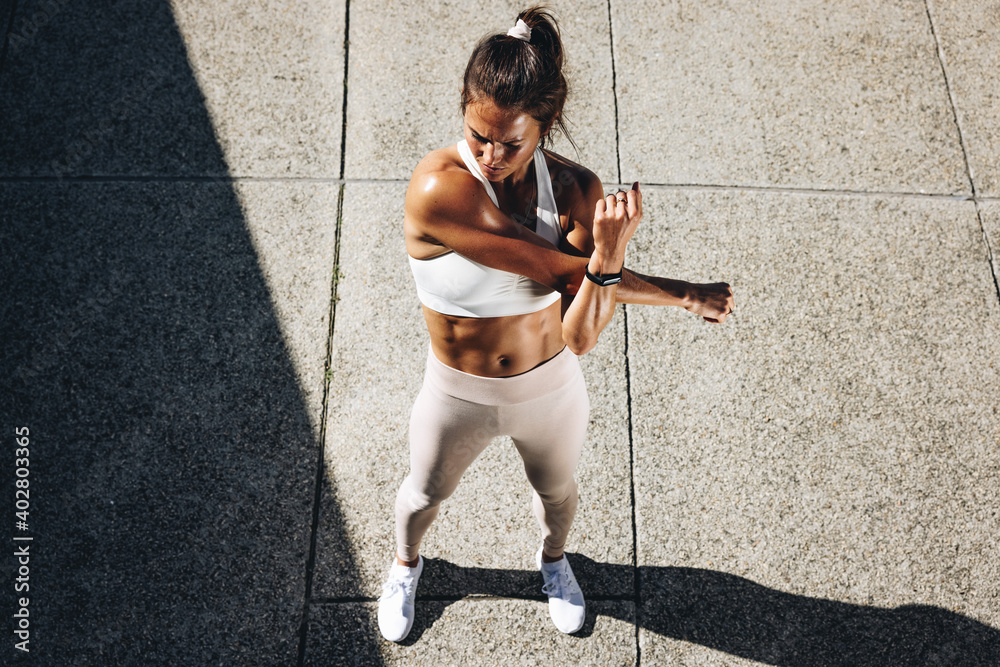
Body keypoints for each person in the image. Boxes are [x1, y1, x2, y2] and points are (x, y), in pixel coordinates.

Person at [377, 6, 734, 642]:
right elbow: (561, 271)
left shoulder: (574, 189)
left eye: (511, 142)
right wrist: (679, 292)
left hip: (550, 386)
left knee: (558, 493)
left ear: (545, 127)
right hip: (457, 391)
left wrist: (610, 259)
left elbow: (580, 336)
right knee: (424, 495)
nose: (490, 154)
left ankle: (554, 563)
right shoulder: (440, 189)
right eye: (477, 134)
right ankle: (406, 565)